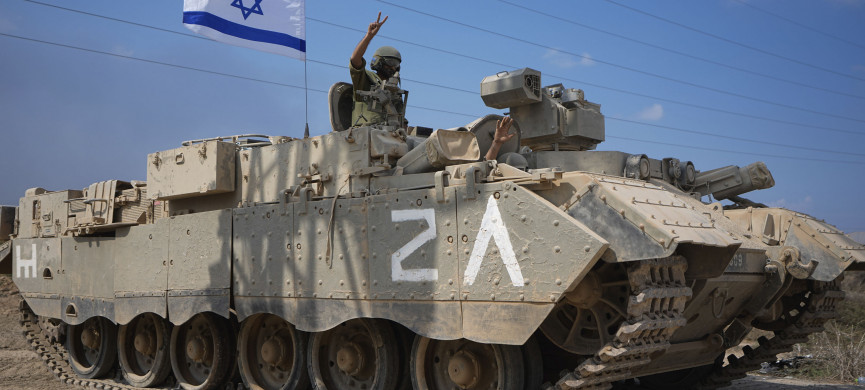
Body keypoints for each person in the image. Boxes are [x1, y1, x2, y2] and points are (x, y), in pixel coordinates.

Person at [350, 12, 402, 127]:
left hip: (390, 136)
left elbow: (401, 118)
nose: (393, 67)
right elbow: (355, 59)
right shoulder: (365, 79)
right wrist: (369, 36)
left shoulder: (394, 90)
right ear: (379, 62)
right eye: (391, 63)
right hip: (365, 133)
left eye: (396, 64)